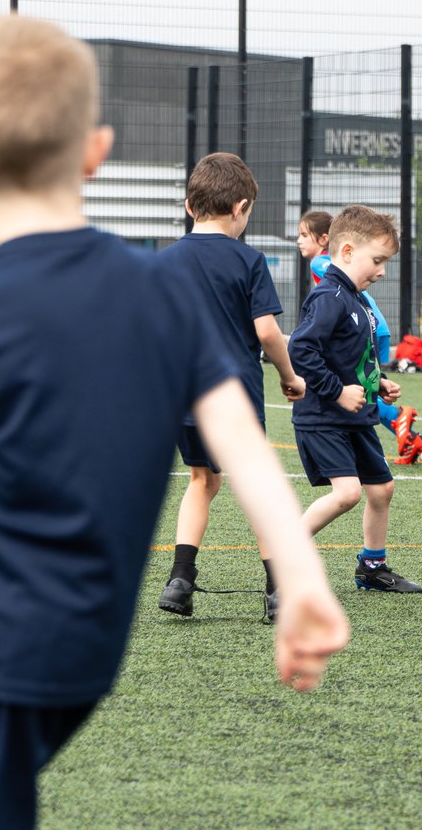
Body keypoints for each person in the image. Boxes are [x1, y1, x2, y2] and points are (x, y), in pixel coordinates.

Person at [0, 14, 349, 826]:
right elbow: (245, 447)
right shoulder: (154, 297)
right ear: (94, 151)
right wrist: (299, 577)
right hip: (82, 652)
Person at [157, 153, 306, 623]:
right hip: (232, 398)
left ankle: (180, 580)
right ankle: (278, 592)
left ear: (188, 205)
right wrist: (288, 375)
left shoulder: (164, 261)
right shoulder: (249, 259)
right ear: (240, 207)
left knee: (203, 480)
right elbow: (266, 332)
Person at [289, 205, 422, 593]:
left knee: (382, 489)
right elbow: (302, 350)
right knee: (347, 492)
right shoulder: (329, 296)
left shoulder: (357, 298)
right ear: (347, 251)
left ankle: (372, 567)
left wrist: (377, 381)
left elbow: (349, 352)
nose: (382, 271)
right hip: (324, 417)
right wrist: (336, 390)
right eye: (377, 260)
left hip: (357, 417)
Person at [297, 208, 422, 465]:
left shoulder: (322, 265)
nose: (299, 241)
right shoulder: (342, 291)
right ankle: (398, 422)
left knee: (356, 385)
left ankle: (394, 418)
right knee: (360, 384)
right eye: (378, 262)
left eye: (304, 234)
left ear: (325, 240)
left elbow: (338, 290)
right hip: (369, 326)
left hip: (365, 328)